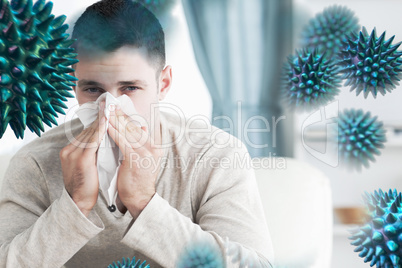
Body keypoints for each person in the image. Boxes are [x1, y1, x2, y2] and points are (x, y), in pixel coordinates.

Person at [0, 0, 274, 267]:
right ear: (74, 86)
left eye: (130, 88)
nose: (109, 108)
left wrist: (144, 202)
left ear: (163, 84)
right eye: (93, 89)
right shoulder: (35, 162)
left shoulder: (215, 155)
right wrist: (75, 204)